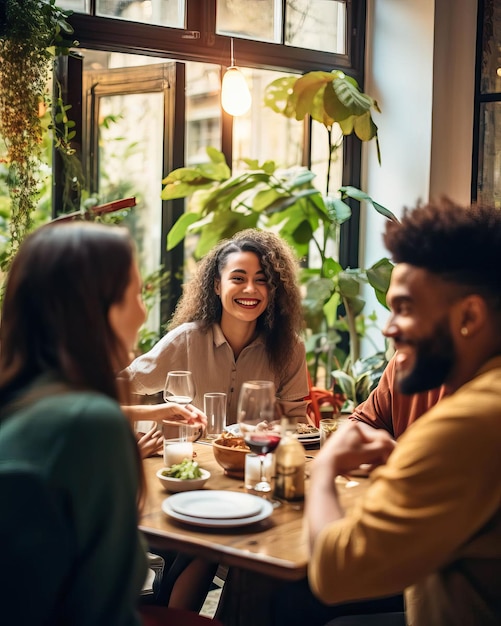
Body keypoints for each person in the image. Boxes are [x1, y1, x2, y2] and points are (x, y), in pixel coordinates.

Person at [0, 221, 220, 626]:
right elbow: (109, 598)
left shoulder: (20, 397)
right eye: (134, 294)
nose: (142, 309)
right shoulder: (89, 426)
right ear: (95, 307)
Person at [306, 198, 501, 625]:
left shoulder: (471, 420)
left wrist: (324, 467)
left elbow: (334, 573)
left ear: (469, 316)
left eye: (405, 308)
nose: (389, 328)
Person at [126, 228, 309, 423]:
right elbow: (105, 394)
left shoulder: (290, 348)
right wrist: (157, 414)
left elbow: (297, 423)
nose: (250, 288)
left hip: (256, 453)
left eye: (261, 280)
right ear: (217, 286)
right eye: (238, 278)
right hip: (188, 453)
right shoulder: (185, 341)